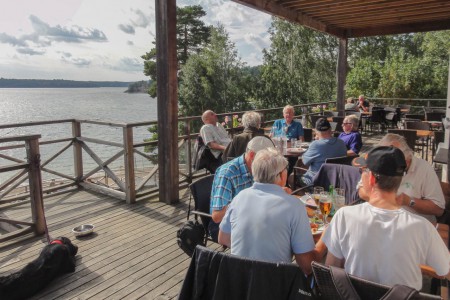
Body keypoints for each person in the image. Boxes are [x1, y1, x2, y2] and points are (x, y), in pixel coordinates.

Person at [322, 146, 449, 290]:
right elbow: (444, 269)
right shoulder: (422, 227)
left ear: (370, 179)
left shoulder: (344, 216)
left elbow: (331, 270)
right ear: (399, 180)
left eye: (362, 170)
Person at [218, 148, 316, 274]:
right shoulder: (294, 206)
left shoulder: (239, 198)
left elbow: (223, 238)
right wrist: (325, 240)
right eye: (286, 169)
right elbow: (307, 266)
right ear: (281, 175)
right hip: (274, 286)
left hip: (238, 282)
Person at [358, 133, 445, 223]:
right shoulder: (379, 163)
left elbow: (438, 209)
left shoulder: (424, 168)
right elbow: (361, 190)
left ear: (406, 161)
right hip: (382, 220)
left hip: (414, 224)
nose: (387, 167)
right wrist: (381, 198)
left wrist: (409, 201)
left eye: (392, 163)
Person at [209, 136, 276, 242]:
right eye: (266, 161)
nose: (268, 165)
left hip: (253, 218)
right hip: (225, 226)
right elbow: (217, 217)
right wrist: (246, 204)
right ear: (252, 155)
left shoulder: (258, 168)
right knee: (269, 238)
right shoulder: (227, 173)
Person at [297, 118, 347, 187]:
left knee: (292, 178)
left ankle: (305, 196)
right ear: (330, 130)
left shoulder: (316, 144)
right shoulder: (341, 143)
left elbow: (305, 161)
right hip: (337, 181)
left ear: (316, 131)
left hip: (317, 181)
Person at [270, 105, 304, 176]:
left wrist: (293, 144)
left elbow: (301, 140)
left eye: (290, 113)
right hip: (278, 150)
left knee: (289, 165)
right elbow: (271, 136)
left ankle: (286, 180)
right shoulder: (277, 123)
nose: (288, 115)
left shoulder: (298, 125)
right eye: (286, 113)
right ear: (283, 114)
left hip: (291, 152)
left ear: (293, 115)